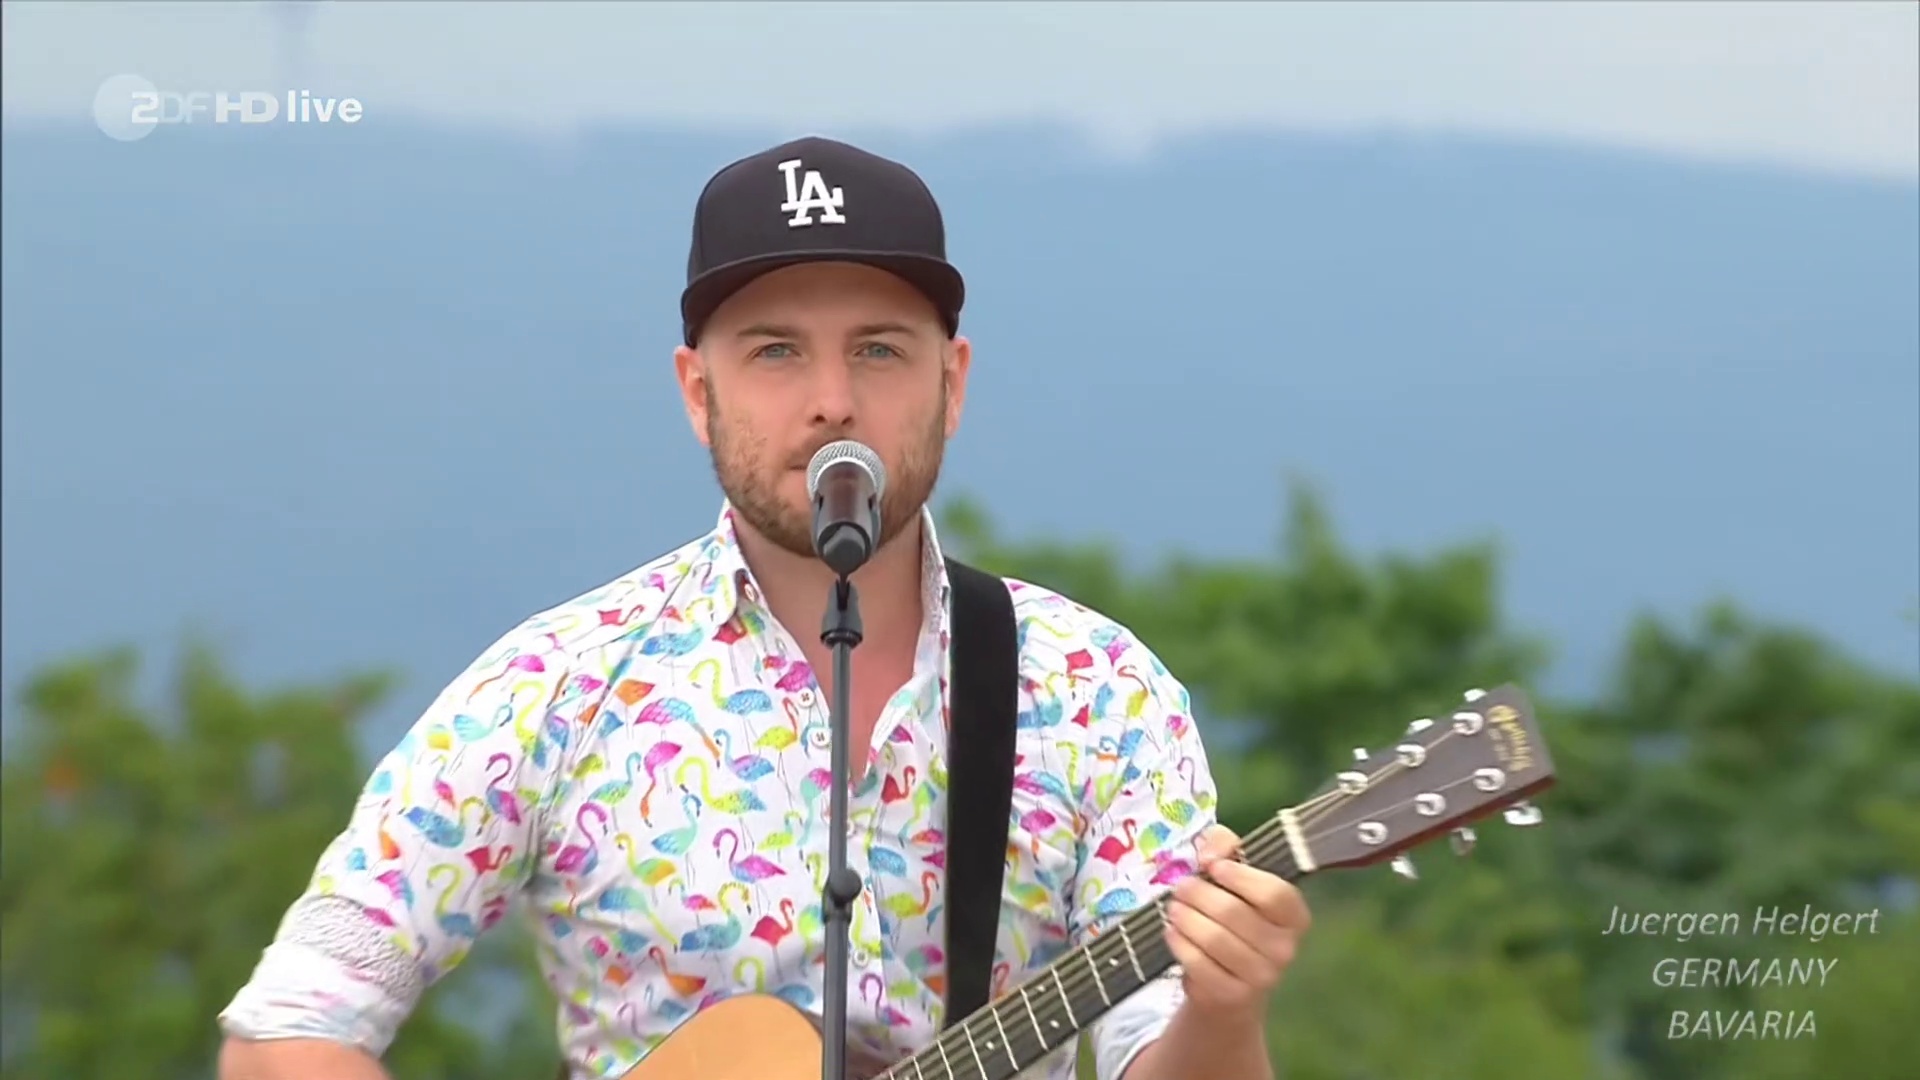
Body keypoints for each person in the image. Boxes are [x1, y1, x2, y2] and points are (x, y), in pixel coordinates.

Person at [216, 135, 1312, 1080]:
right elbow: (287, 1026)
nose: (832, 400)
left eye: (879, 350)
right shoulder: (556, 687)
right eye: (776, 352)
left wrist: (1225, 1009)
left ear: (953, 383)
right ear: (699, 393)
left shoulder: (1097, 693)